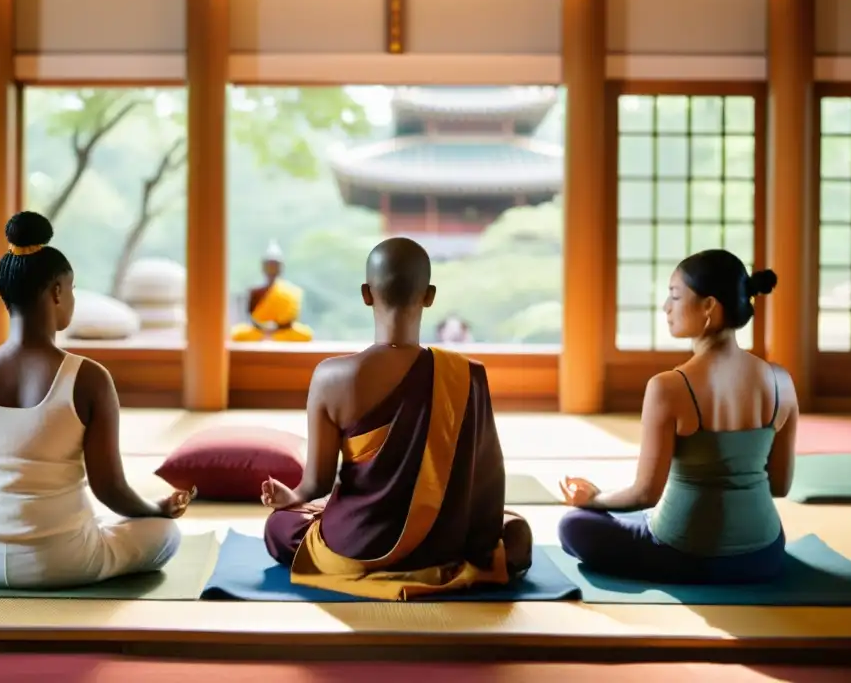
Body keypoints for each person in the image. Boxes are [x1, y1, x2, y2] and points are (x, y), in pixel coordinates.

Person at [260, 237, 532, 601]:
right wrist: (482, 549)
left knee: (280, 525)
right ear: (430, 295)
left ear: (366, 294)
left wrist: (290, 497)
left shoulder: (331, 377)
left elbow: (317, 484)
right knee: (517, 531)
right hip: (443, 548)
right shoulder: (467, 375)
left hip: (356, 548)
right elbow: (487, 484)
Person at [0, 211, 191, 590]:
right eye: (71, 289)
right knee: (165, 535)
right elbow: (110, 489)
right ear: (57, 292)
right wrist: (156, 510)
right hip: (62, 561)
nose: (71, 298)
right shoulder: (88, 378)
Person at [558, 249, 798, 584]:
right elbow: (781, 486)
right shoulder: (781, 381)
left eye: (674, 295)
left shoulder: (669, 387)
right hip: (764, 554)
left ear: (709, 307)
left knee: (573, 525)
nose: (666, 307)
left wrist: (595, 498)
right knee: (640, 516)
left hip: (686, 555)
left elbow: (645, 494)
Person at [230, 240, 314, 343]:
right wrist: (264, 328)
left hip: (284, 332)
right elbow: (250, 317)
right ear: (263, 268)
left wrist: (276, 327)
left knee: (306, 334)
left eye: (275, 265)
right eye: (269, 265)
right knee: (237, 334)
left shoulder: (292, 291)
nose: (272, 269)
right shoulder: (255, 291)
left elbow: (292, 319)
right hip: (258, 331)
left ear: (281, 267)